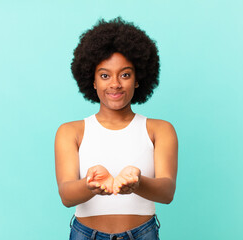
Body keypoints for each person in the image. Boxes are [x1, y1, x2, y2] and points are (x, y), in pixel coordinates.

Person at [54, 17, 178, 240]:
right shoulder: (70, 132)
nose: (115, 84)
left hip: (143, 234)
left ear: (138, 79)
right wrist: (90, 185)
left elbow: (167, 192)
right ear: (92, 81)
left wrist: (138, 183)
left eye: (125, 74)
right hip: (84, 234)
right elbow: (66, 195)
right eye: (104, 75)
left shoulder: (159, 130)